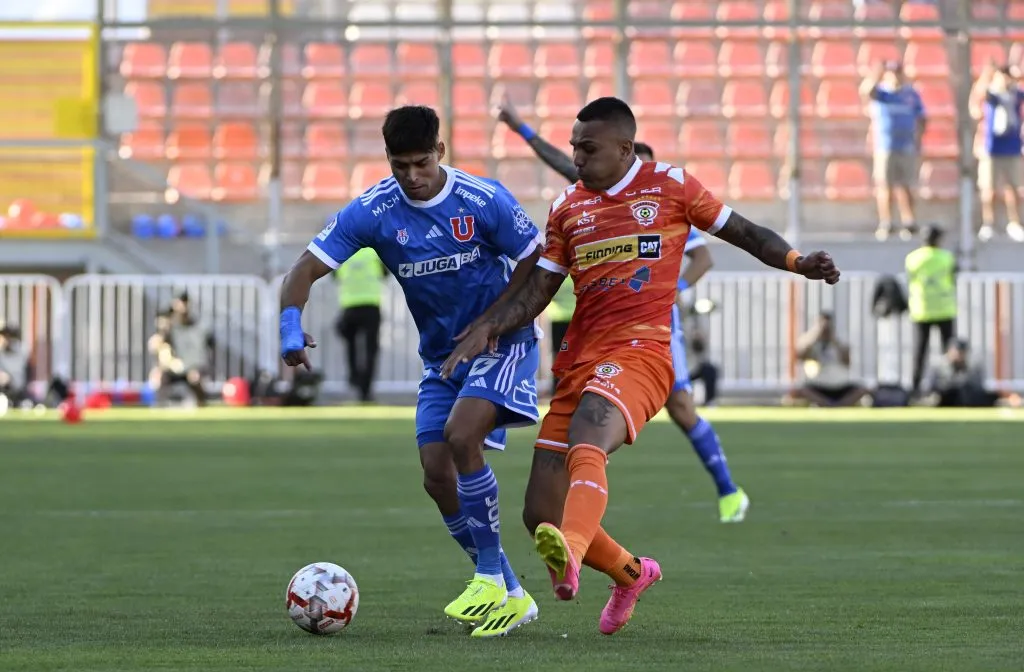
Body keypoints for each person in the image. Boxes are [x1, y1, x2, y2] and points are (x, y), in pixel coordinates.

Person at [443, 97, 840, 634]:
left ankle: (574, 557)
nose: (577, 157)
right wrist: (491, 325)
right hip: (578, 361)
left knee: (590, 438)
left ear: (624, 147)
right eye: (574, 148)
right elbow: (539, 289)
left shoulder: (672, 186)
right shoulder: (567, 207)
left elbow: (744, 234)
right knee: (539, 513)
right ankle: (632, 574)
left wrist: (798, 262)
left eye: (588, 148)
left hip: (643, 353)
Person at [279, 105, 541, 638]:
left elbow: (540, 264)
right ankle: (513, 592)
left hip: (502, 340)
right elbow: (305, 269)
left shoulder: (484, 200)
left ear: (440, 153)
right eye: (400, 165)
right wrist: (289, 322)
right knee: (435, 472)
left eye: (421, 163)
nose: (412, 177)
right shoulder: (375, 210)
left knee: (461, 435)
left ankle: (488, 576)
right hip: (442, 358)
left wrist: (493, 323)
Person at [498, 96, 748, 522]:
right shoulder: (588, 197)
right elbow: (564, 161)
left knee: (681, 409)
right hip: (597, 335)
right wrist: (521, 129)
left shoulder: (667, 204)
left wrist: (676, 287)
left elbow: (703, 257)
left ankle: (728, 491)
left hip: (655, 330)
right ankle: (585, 531)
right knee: (582, 425)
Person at [860, 61, 926, 242]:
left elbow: (922, 118)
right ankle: (886, 222)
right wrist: (875, 73)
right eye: (892, 72)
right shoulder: (882, 93)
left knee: (906, 186)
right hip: (885, 146)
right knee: (885, 186)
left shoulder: (911, 94)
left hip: (906, 146)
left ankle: (909, 222)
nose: (895, 76)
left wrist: (918, 140)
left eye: (898, 72)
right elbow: (866, 91)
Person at [970, 63, 1024, 243]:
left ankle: (1014, 223)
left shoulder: (1015, 94)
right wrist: (988, 74)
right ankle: (988, 223)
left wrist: (1016, 76)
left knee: (1014, 188)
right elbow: (979, 94)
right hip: (991, 148)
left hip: (1013, 148)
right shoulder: (992, 94)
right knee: (989, 189)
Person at [905, 224, 957, 396]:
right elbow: (952, 277)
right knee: (948, 353)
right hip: (944, 308)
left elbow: (911, 278)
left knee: (920, 353)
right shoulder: (947, 257)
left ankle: (915, 388)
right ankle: (949, 388)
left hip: (922, 309)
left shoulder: (912, 258)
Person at [333, 247, 387, 402]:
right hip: (371, 305)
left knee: (351, 346)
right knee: (371, 349)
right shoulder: (374, 253)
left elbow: (335, 276)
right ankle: (366, 389)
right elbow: (385, 274)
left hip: (349, 306)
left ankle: (354, 377)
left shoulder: (344, 252)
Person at [794, 312, 869, 407]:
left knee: (862, 390)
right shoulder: (810, 341)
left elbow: (847, 362)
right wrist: (816, 335)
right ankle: (825, 404)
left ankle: (839, 405)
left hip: (840, 383)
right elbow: (801, 356)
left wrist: (833, 341)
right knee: (803, 390)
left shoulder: (840, 341)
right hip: (819, 383)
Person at [926, 338, 998, 407]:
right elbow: (931, 387)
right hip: (946, 397)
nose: (960, 355)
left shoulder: (973, 366)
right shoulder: (938, 365)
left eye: (962, 352)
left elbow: (979, 387)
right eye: (958, 352)